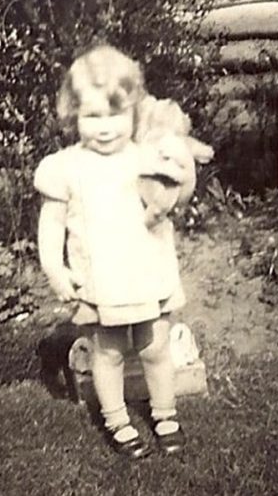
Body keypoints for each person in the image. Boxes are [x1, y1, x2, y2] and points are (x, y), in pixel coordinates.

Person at [34, 43, 200, 459]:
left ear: (133, 111)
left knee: (155, 345)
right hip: (102, 278)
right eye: (93, 116)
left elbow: (177, 194)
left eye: (115, 114)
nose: (105, 127)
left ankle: (164, 413)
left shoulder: (145, 155)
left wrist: (180, 180)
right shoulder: (66, 167)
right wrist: (55, 268)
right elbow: (51, 222)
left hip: (146, 271)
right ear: (74, 115)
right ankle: (118, 420)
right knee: (106, 352)